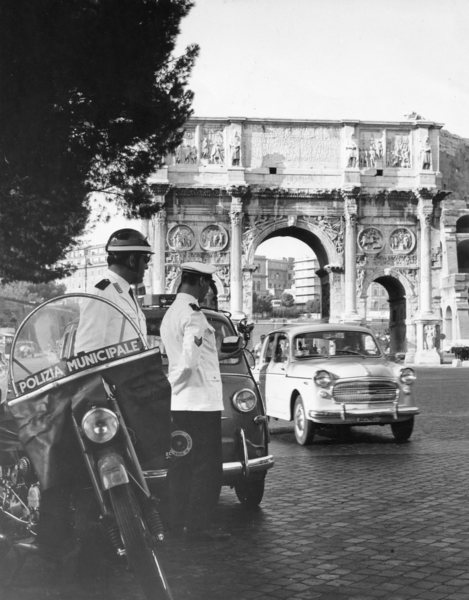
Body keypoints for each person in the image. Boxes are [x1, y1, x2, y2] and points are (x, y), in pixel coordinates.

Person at [33, 229, 171, 560]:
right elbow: (89, 354)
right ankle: (97, 543)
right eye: (144, 260)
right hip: (110, 399)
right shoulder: (104, 295)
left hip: (129, 395)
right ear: (132, 259)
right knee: (91, 473)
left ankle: (132, 529)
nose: (146, 267)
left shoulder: (124, 293)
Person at [160, 262, 229, 541]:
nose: (209, 290)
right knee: (207, 468)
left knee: (182, 465)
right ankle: (199, 527)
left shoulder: (171, 314)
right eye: (209, 285)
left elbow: (179, 357)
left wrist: (171, 390)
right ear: (201, 283)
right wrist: (171, 384)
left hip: (182, 404)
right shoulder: (194, 316)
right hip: (201, 403)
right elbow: (188, 363)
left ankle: (174, 522)